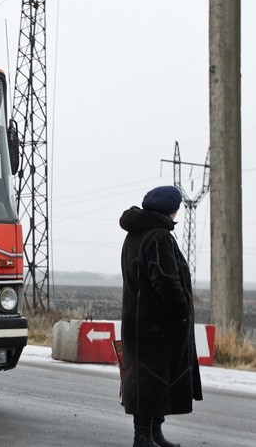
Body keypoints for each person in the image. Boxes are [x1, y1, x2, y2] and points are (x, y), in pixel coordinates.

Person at [119, 186, 202, 447]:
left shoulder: (135, 235)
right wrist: (180, 313)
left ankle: (154, 434)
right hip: (157, 325)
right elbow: (166, 282)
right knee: (151, 381)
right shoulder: (159, 237)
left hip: (138, 322)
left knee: (150, 380)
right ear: (171, 209)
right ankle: (143, 437)